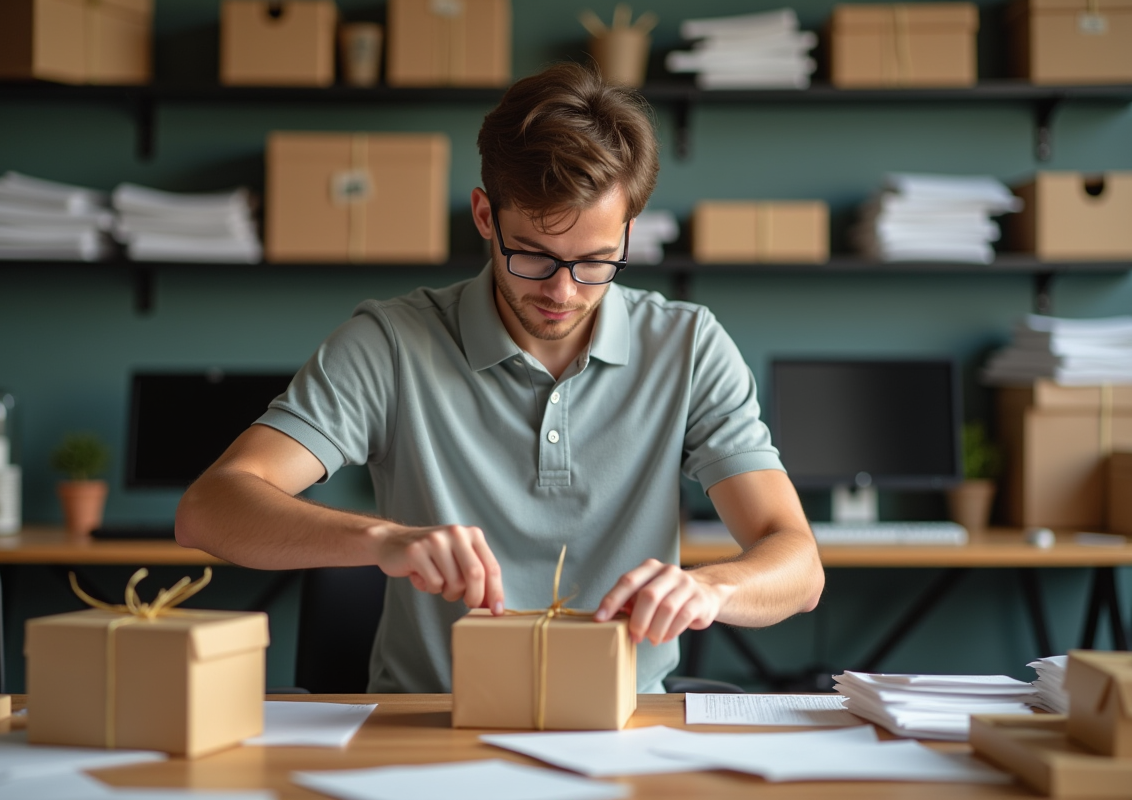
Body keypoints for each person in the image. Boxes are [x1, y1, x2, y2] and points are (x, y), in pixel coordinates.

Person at [175, 63, 824, 693]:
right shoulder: (390, 344)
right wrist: (382, 539)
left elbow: (796, 562)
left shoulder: (688, 345)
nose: (563, 292)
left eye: (597, 260)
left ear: (628, 232)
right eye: (534, 256)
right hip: (429, 729)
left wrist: (712, 589)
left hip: (626, 726)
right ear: (486, 216)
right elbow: (210, 510)